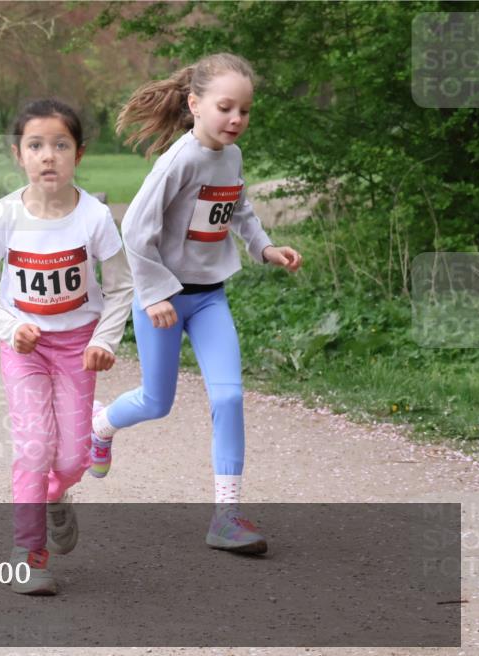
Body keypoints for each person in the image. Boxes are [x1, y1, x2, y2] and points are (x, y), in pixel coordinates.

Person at [90, 53, 303, 554]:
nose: (236, 119)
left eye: (245, 110)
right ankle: (100, 425)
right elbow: (134, 230)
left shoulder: (232, 157)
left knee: (228, 398)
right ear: (194, 105)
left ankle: (226, 516)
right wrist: (154, 293)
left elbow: (240, 209)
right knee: (156, 402)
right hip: (162, 301)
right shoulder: (179, 161)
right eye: (226, 108)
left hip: (209, 300)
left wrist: (265, 248)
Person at [0, 99, 134, 595]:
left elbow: (121, 287)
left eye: (60, 145)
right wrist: (10, 327)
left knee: (72, 459)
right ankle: (28, 551)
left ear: (78, 154)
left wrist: (104, 340)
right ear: (18, 154)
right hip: (26, 349)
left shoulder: (95, 217)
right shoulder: (4, 215)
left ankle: (53, 496)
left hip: (79, 347)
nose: (48, 156)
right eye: (36, 145)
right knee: (34, 447)